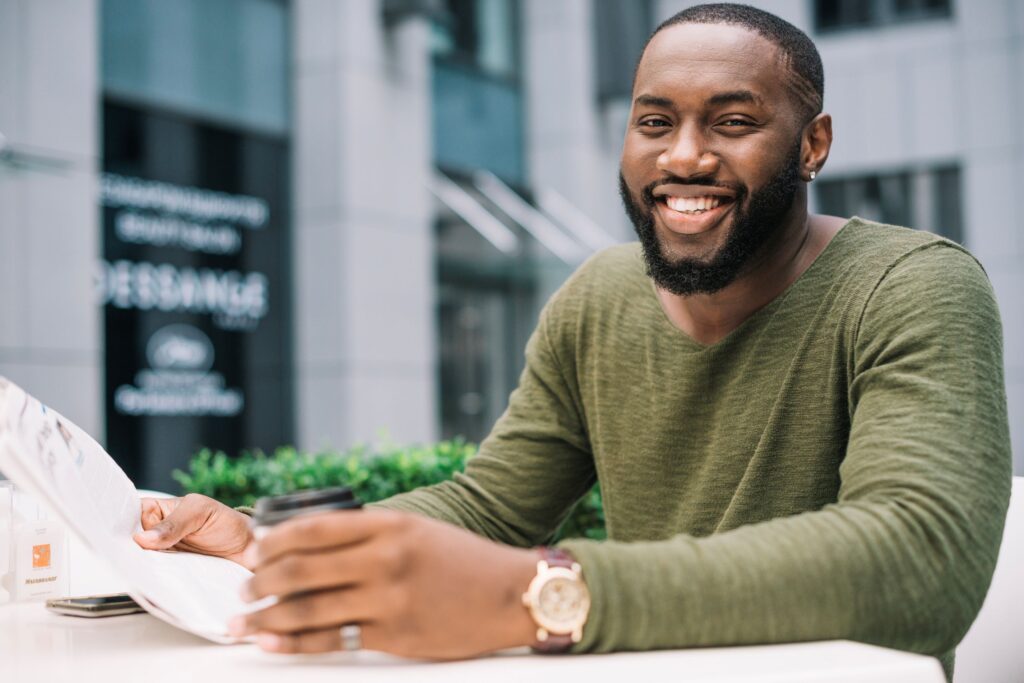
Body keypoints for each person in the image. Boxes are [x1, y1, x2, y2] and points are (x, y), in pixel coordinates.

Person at [133, 4, 1011, 679]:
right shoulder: (598, 296)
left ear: (813, 144)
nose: (685, 157)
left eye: (733, 122)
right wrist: (270, 543)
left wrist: (548, 595)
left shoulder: (913, 286)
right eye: (655, 121)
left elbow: (920, 558)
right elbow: (490, 509)